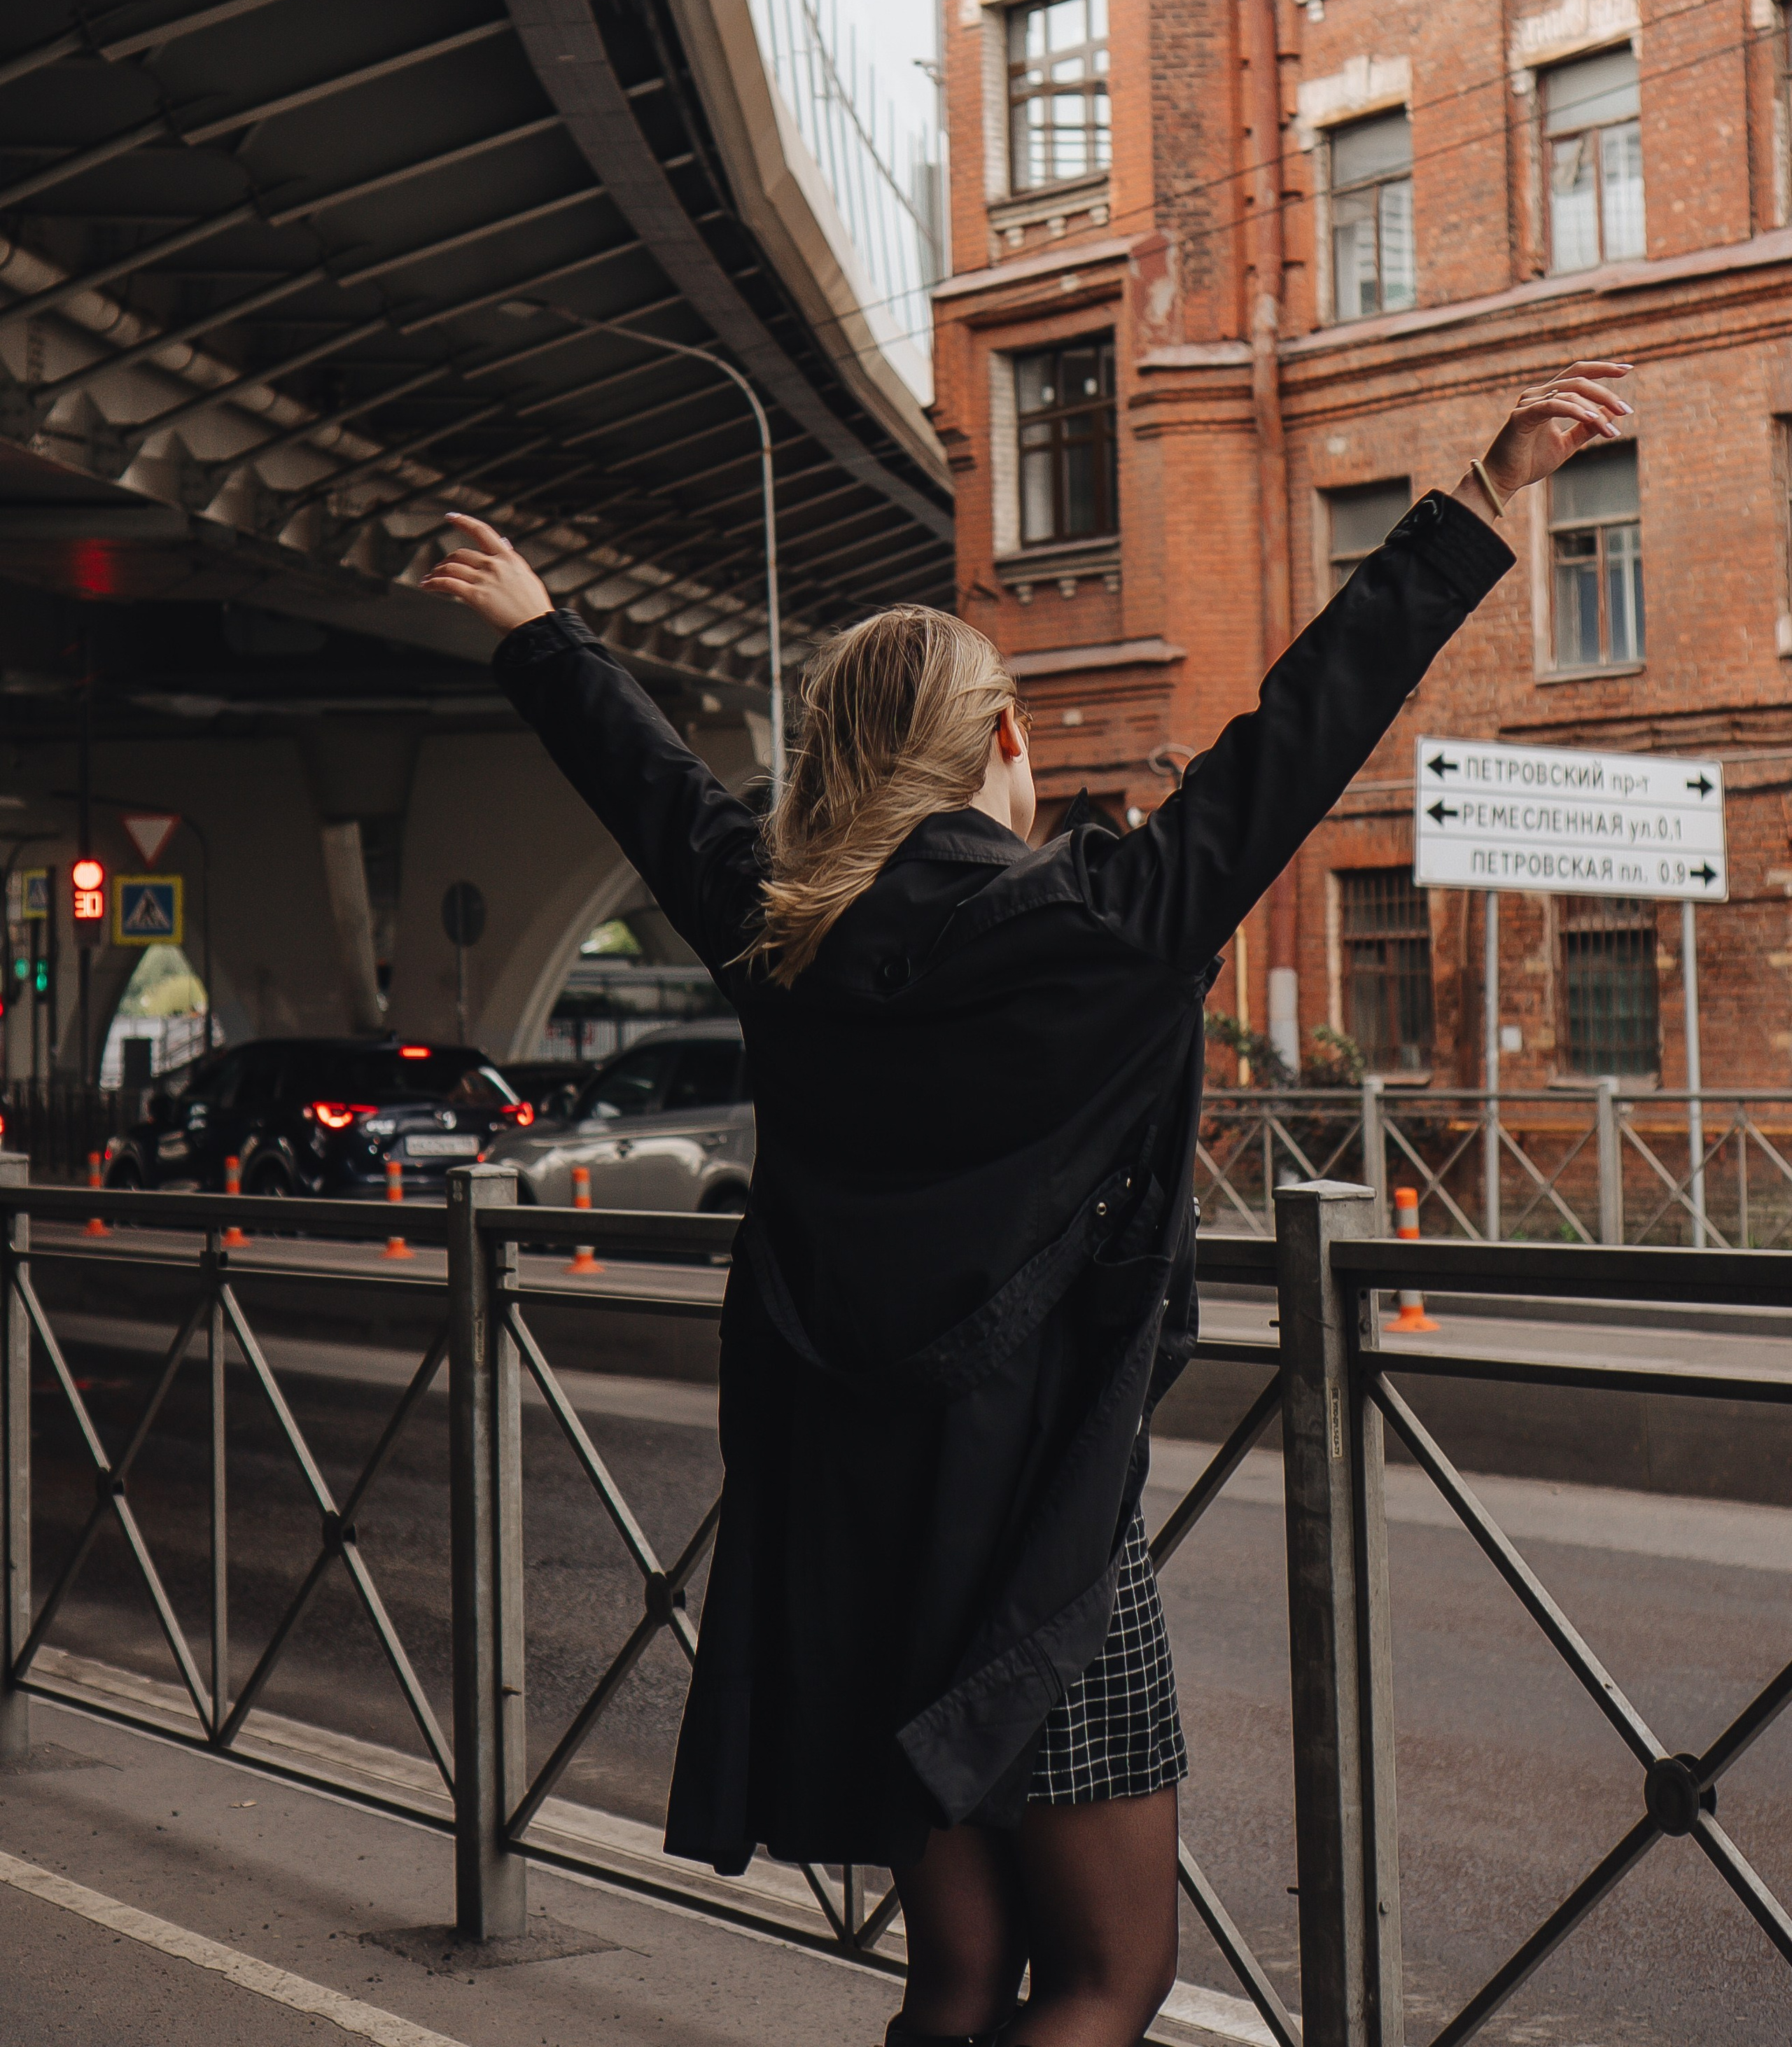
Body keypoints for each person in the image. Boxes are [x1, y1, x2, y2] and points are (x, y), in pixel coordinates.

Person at [424, 362, 1631, 2047]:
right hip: (1038, 1535)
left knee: (959, 1975)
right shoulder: (1104, 920)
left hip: (860, 1521)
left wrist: (541, 633)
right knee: (1108, 1978)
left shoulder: (782, 933)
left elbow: (657, 796)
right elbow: (1297, 737)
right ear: (1000, 741)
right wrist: (1484, 496)